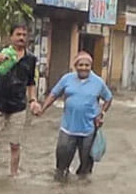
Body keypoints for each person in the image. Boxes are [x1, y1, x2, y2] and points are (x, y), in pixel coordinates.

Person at [36, 51, 113, 180]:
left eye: (87, 65)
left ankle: (81, 193)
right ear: (75, 66)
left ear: (91, 66)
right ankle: (62, 190)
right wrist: (43, 109)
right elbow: (54, 94)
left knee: (85, 168)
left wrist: (102, 114)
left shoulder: (98, 82)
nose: (83, 68)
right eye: (80, 65)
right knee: (61, 165)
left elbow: (108, 98)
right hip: (68, 128)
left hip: (88, 130)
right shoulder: (67, 79)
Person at [0, 24, 40, 177]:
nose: (21, 38)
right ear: (11, 37)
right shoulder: (1, 52)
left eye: (24, 35)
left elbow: (31, 82)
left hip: (18, 106)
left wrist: (33, 100)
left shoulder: (31, 59)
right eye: (18, 34)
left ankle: (13, 175)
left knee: (15, 145)